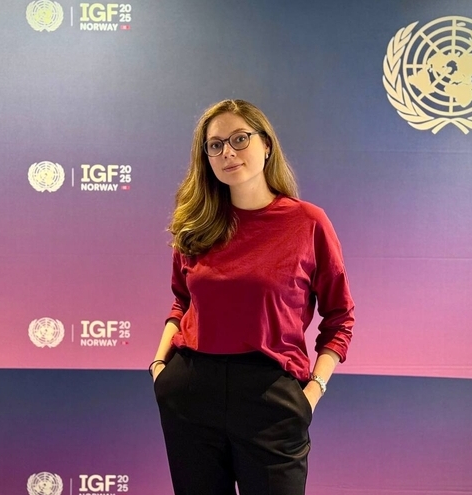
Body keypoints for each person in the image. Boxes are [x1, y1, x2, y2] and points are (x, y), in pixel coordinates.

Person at [150, 99, 355, 495]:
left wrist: (313, 391)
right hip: (190, 392)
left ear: (266, 145)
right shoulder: (195, 225)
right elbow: (182, 302)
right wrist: (159, 367)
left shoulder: (308, 223)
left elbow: (340, 317)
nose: (228, 152)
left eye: (239, 139)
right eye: (215, 145)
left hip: (270, 396)